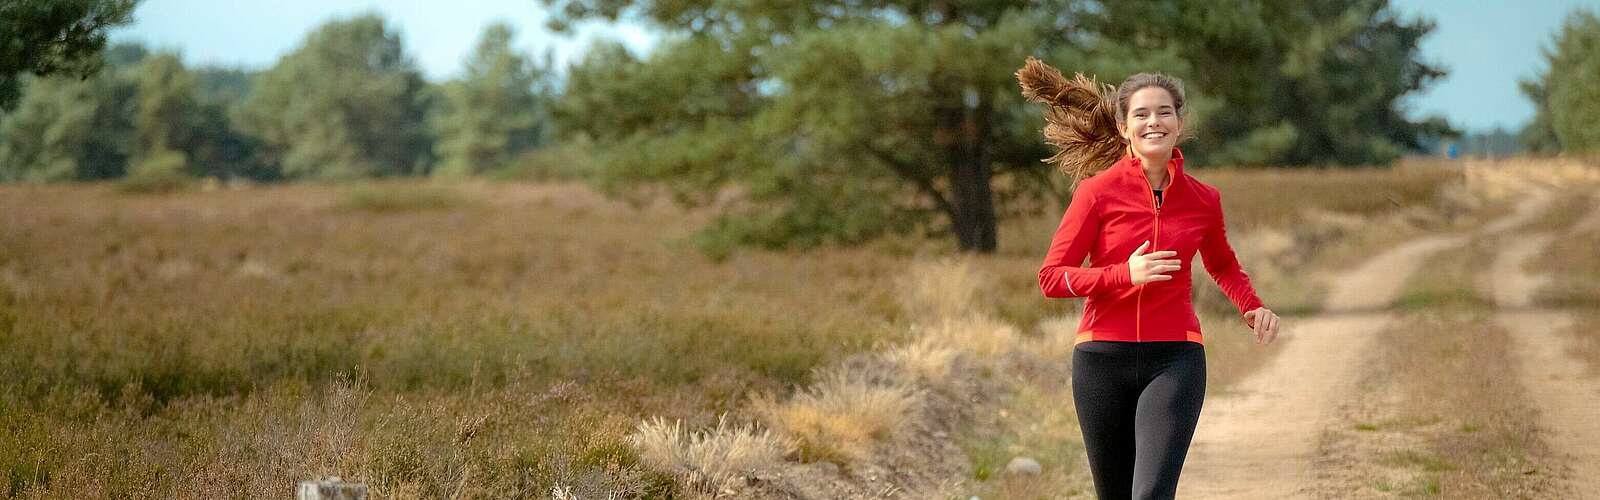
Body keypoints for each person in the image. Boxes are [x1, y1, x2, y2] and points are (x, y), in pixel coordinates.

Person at [1016, 57, 1282, 499]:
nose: (1153, 122)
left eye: (1163, 112)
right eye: (1140, 114)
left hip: (1174, 359)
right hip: (1101, 360)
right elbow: (1051, 278)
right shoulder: (1096, 193)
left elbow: (1222, 264)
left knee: (1152, 494)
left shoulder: (1203, 199)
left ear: (1179, 123)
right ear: (1124, 127)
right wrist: (1124, 274)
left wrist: (1251, 305)